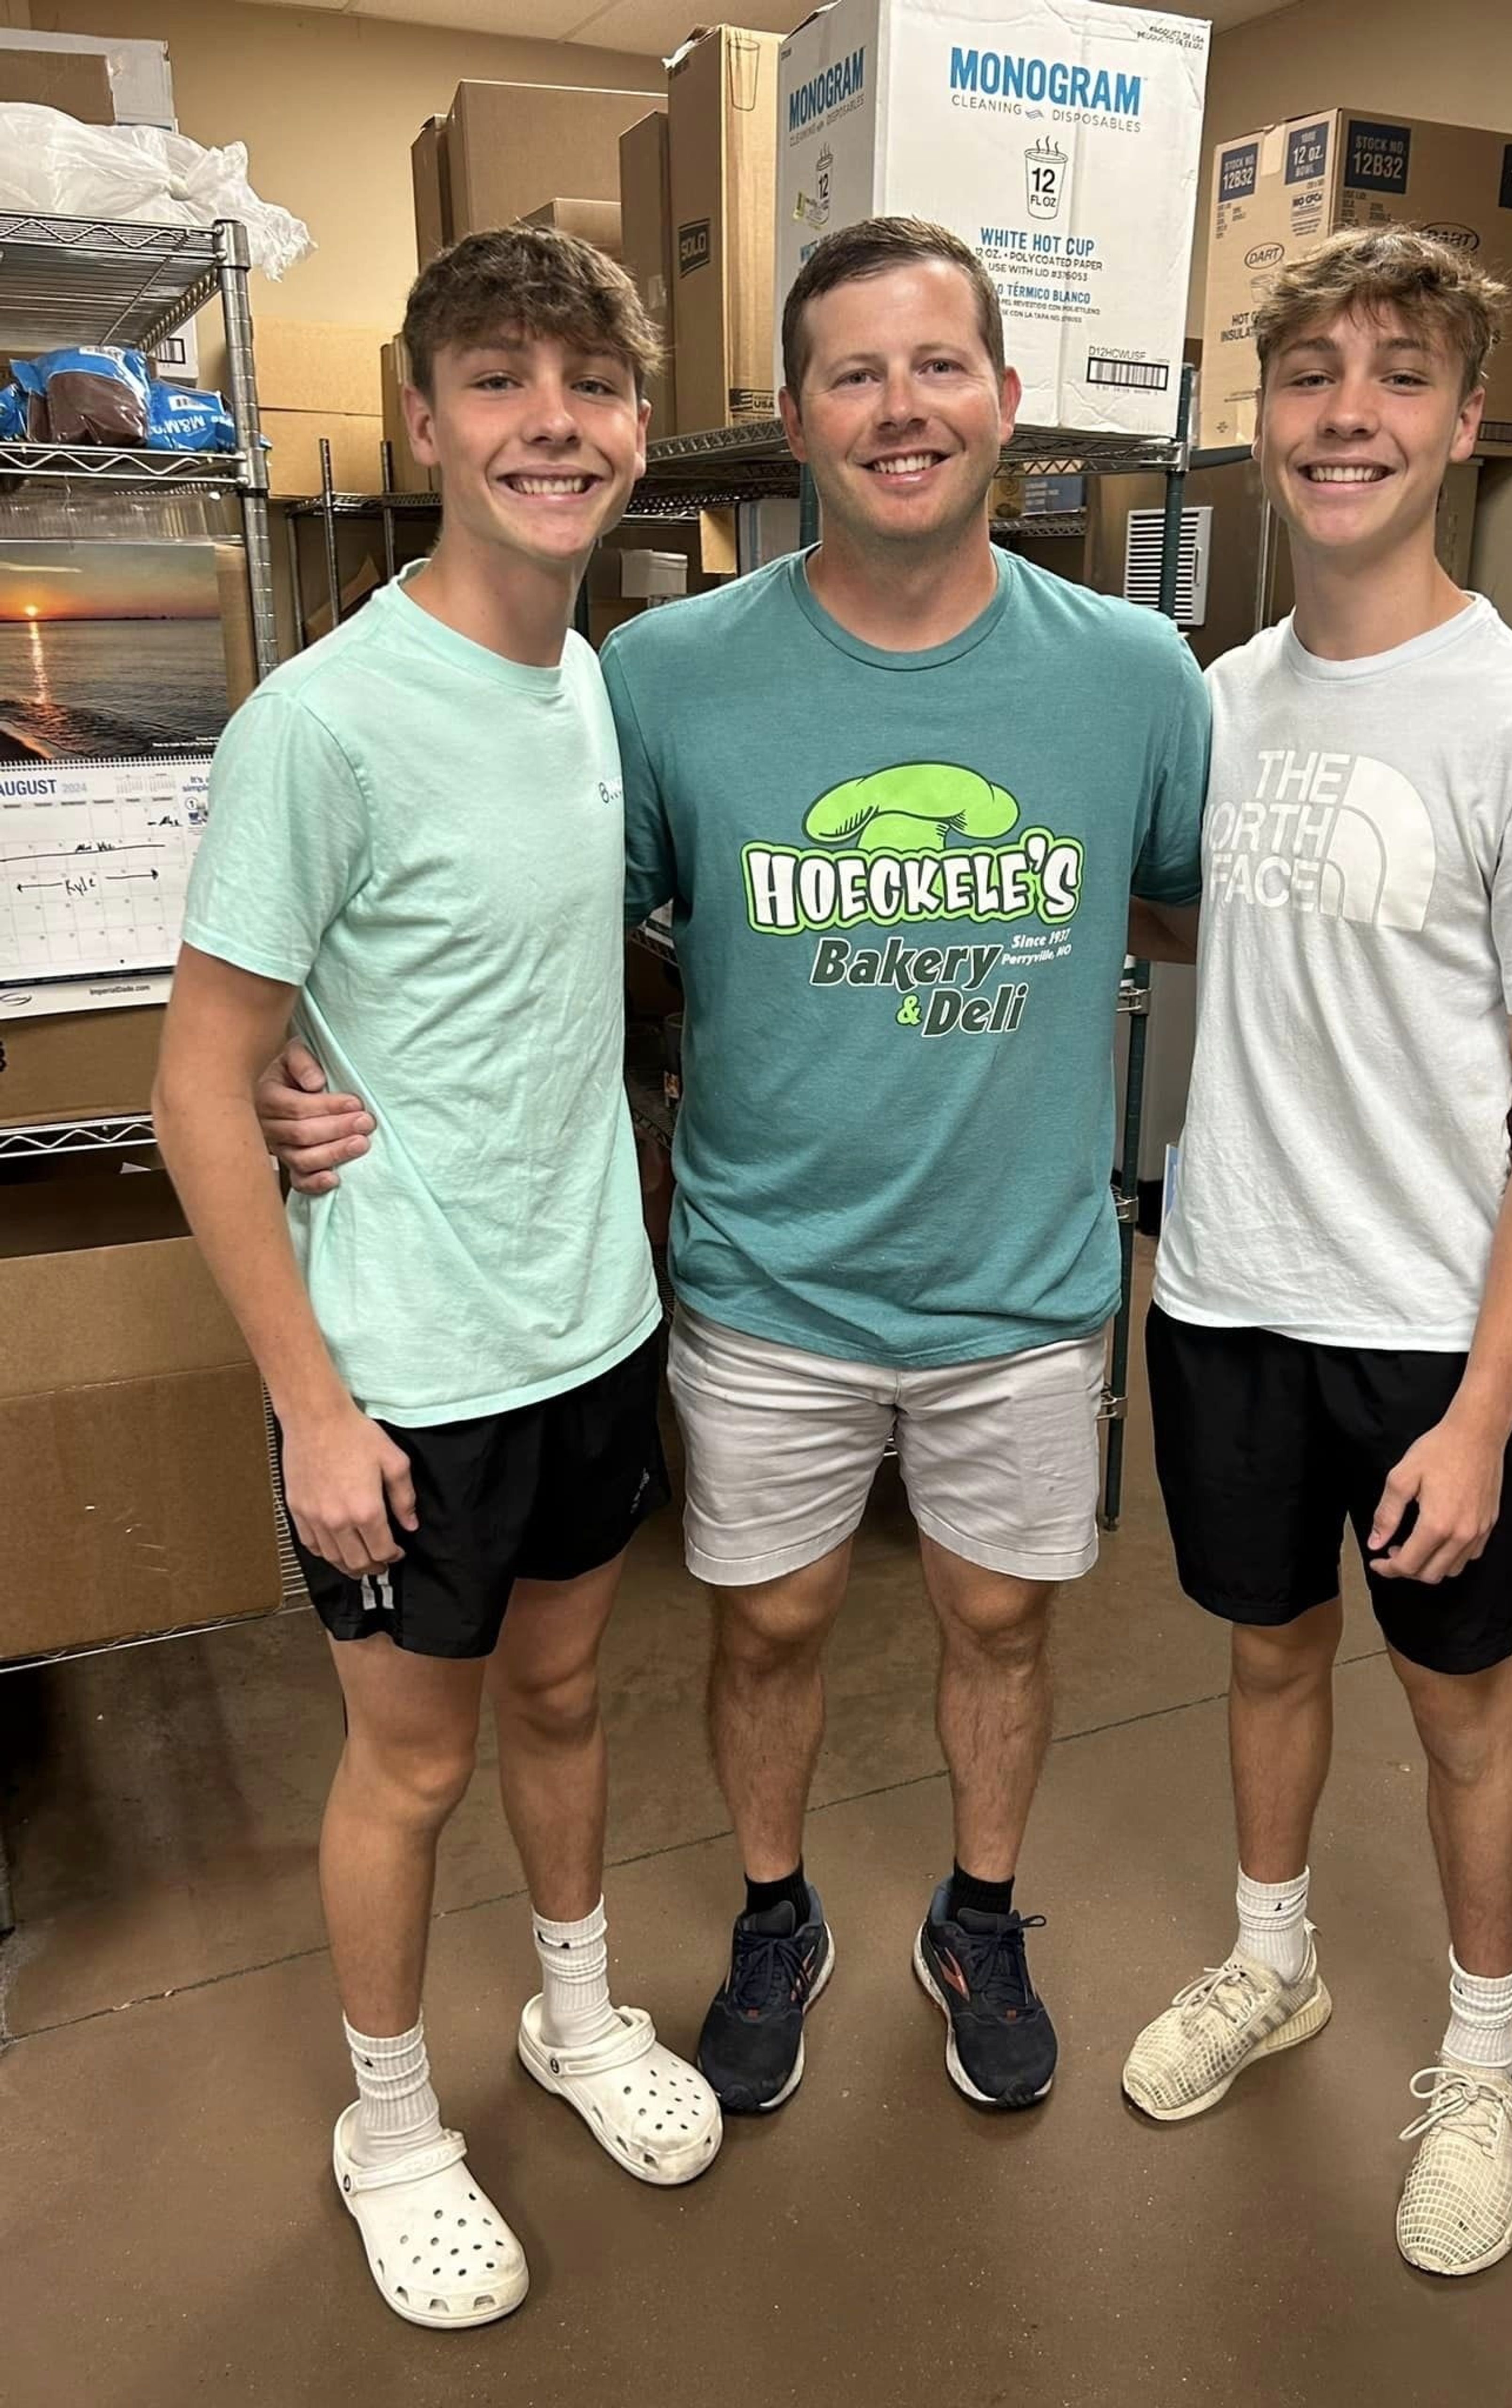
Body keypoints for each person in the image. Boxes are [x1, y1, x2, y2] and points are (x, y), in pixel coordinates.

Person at [261, 216, 1211, 2116]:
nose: (900, 407)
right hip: (761, 1277)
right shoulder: (663, 678)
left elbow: (1186, 910)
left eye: (939, 364)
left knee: (1002, 1614)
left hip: (1021, 1283)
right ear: (793, 417)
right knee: (768, 1619)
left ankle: (982, 1911)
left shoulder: (1135, 673)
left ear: (1008, 400)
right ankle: (776, 1909)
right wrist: (320, 1054)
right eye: (852, 373)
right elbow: (545, 932)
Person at [153, 224, 722, 2335]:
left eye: (588, 384)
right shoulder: (326, 717)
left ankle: (575, 2018)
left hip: (589, 1320)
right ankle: (391, 2118)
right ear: (421, 417)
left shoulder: (588, 674)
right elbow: (203, 1082)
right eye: (497, 379)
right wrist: (312, 1400)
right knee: (409, 1761)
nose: (548, 422)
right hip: (403, 1363)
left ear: (639, 430)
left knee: (572, 1696)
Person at [1120, 226, 1512, 2277]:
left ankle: (1488, 2054)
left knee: (1463, 1707)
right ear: (1262, 415)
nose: (1351, 410)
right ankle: (1277, 1961)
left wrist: (1491, 1404)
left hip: (1433, 1329)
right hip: (1227, 1291)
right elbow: (1177, 928)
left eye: (1400, 375)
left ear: (1463, 423)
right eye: (1314, 371)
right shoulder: (1210, 704)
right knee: (1264, 1653)